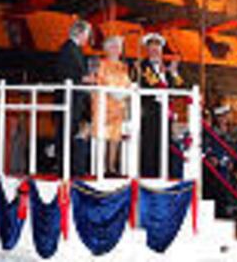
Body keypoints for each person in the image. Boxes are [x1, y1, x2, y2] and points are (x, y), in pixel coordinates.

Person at [139, 32, 185, 177]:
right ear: (147, 49)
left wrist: (175, 73)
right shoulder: (143, 66)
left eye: (157, 47)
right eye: (152, 47)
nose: (155, 50)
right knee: (150, 145)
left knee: (164, 145)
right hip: (151, 111)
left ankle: (162, 173)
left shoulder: (165, 68)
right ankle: (149, 175)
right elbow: (153, 85)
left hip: (166, 112)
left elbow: (179, 87)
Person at [54, 20, 93, 175]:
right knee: (66, 134)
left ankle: (69, 167)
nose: (88, 38)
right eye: (87, 35)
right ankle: (65, 168)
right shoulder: (68, 50)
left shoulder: (74, 49)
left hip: (74, 101)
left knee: (70, 134)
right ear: (80, 33)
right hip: (68, 100)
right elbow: (65, 73)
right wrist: (84, 79)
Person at [92, 36, 132, 176]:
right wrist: (114, 91)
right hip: (105, 104)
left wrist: (128, 90)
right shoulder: (102, 64)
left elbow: (126, 82)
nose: (117, 50)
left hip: (118, 105)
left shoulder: (122, 66)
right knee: (103, 136)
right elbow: (101, 81)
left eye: (119, 47)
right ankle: (100, 167)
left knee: (115, 138)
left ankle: (112, 167)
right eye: (114, 47)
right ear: (107, 49)